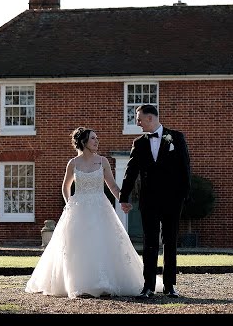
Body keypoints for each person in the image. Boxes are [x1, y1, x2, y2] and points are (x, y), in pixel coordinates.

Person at [25, 127, 162, 299]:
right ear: (84, 142)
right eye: (93, 139)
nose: (97, 141)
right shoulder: (73, 163)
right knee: (80, 246)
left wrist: (123, 200)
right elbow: (65, 186)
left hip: (100, 207)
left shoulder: (103, 161)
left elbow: (112, 185)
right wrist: (69, 204)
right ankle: (80, 285)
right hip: (79, 208)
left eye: (97, 138)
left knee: (101, 242)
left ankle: (103, 283)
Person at [120, 104, 191, 299]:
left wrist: (184, 197)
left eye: (139, 119)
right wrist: (124, 197)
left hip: (173, 201)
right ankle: (148, 287)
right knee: (150, 242)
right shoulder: (139, 143)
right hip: (148, 201)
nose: (137, 123)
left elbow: (185, 168)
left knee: (170, 242)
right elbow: (130, 171)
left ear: (150, 118)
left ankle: (170, 286)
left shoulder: (176, 138)